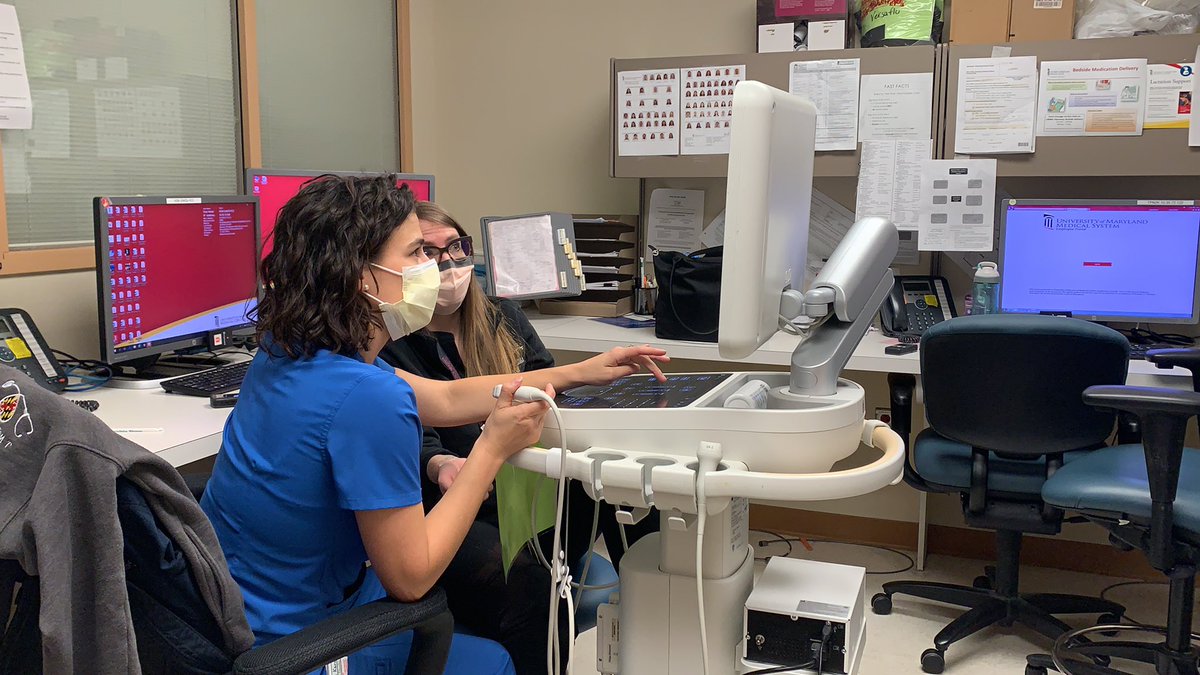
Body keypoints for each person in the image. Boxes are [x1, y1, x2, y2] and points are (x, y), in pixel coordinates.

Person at [200, 175, 668, 674]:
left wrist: (581, 371)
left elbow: (444, 398)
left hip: (225, 615)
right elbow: (411, 579)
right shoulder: (365, 397)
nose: (434, 269)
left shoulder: (288, 350)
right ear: (361, 276)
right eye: (417, 253)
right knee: (496, 657)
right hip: (300, 645)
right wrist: (489, 451)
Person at [380, 202, 660, 674]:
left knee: (625, 485)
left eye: (456, 249)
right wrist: (442, 464)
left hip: (526, 483)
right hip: (460, 499)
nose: (448, 266)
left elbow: (544, 388)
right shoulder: (390, 343)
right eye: (427, 253)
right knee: (534, 587)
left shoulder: (499, 316)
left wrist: (584, 379)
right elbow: (427, 417)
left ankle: (656, 619)